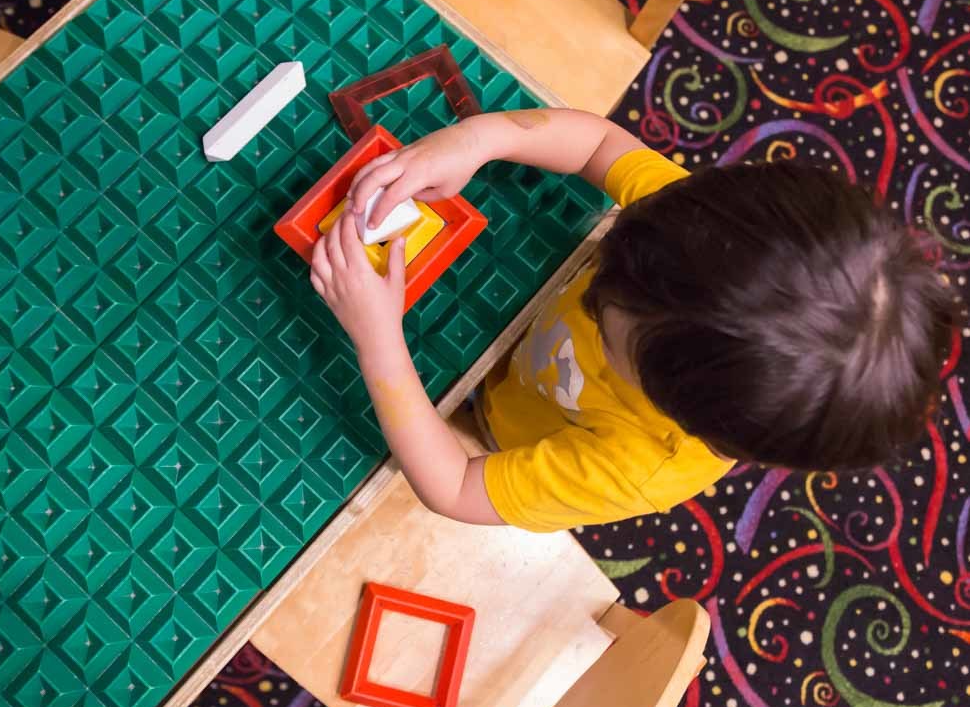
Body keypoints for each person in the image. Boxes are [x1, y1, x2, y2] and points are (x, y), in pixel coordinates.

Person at [309, 108, 960, 532]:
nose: (596, 295)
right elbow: (597, 143)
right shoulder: (702, 242)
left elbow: (453, 487)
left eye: (609, 322)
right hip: (513, 330)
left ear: (677, 407)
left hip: (493, 427)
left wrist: (377, 338)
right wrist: (480, 139)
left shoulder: (637, 467)